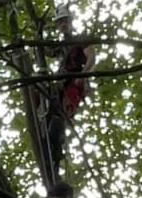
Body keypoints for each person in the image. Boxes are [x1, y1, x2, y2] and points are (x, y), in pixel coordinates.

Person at [44, 4, 95, 178]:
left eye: (65, 21)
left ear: (71, 21)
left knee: (60, 118)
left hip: (73, 82)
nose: (63, 24)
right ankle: (51, 152)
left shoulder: (80, 39)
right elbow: (45, 51)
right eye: (60, 22)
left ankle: (56, 154)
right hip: (58, 84)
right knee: (49, 120)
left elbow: (91, 57)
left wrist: (84, 75)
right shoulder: (60, 45)